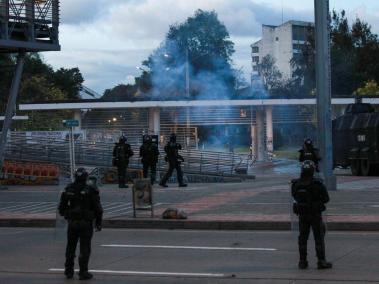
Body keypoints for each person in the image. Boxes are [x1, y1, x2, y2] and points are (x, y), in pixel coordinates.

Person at [58, 168, 103, 280]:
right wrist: (98, 222)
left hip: (72, 223)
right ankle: (83, 272)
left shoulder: (69, 189)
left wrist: (68, 213)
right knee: (85, 248)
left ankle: (68, 271)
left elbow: (61, 208)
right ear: (86, 177)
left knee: (70, 247)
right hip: (86, 223)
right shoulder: (91, 189)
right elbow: (98, 209)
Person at [291, 160, 332, 270]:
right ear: (313, 170)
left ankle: (302, 261)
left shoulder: (296, 184)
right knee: (318, 237)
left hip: (302, 215)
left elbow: (294, 197)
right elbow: (326, 199)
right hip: (315, 215)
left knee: (302, 238)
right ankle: (321, 261)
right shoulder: (317, 184)